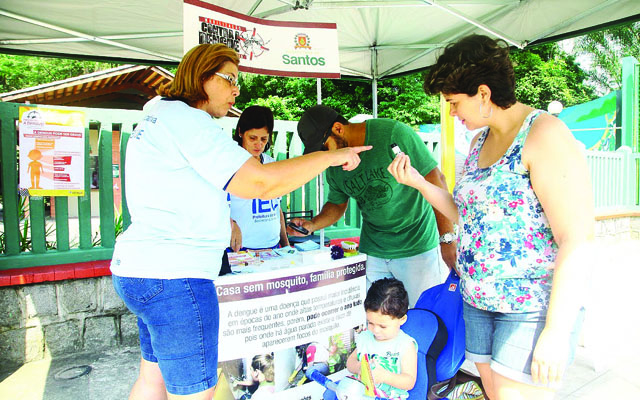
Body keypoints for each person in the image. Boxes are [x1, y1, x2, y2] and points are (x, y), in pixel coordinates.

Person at [110, 43, 370, 400]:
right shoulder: (189, 122)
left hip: (140, 270)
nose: (237, 89)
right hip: (177, 277)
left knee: (152, 379)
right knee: (193, 393)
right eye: (230, 78)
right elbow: (263, 183)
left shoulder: (160, 114)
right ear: (201, 77)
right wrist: (330, 157)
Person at [387, 34, 594, 399]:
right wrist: (418, 183)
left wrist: (557, 330)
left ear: (483, 94)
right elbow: (467, 214)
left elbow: (576, 238)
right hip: (478, 301)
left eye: (454, 102)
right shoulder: (480, 140)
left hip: (529, 306)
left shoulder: (543, 134)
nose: (451, 112)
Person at [289, 105, 456, 306]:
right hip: (374, 249)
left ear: (338, 129)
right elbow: (336, 204)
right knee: (377, 321)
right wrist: (312, 225)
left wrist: (447, 240)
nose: (325, 156)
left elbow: (436, 179)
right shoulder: (334, 164)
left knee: (420, 316)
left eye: (324, 148)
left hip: (415, 246)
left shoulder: (392, 134)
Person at [228, 105, 289, 252]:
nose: (259, 144)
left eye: (264, 139)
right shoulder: (229, 164)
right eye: (253, 138)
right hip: (240, 250)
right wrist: (230, 223)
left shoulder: (271, 163)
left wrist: (286, 245)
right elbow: (212, 206)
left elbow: (277, 207)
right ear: (240, 132)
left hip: (273, 247)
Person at [345, 278, 418, 400]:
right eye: (371, 323)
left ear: (402, 320)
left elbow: (409, 381)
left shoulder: (405, 345)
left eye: (383, 326)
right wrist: (359, 368)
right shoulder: (365, 338)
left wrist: (385, 376)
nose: (375, 330)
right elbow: (350, 362)